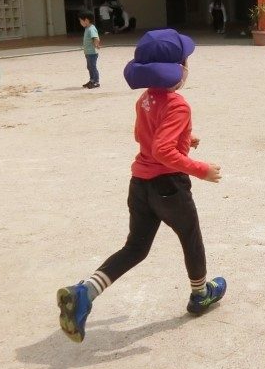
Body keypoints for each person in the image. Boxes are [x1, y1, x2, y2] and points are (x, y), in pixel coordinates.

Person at [56, 29, 226, 343]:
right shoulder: (178, 105)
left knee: (135, 247)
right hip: (169, 187)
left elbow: (143, 136)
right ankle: (201, 294)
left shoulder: (145, 99)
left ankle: (84, 292)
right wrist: (201, 169)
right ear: (178, 69)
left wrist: (184, 138)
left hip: (140, 185)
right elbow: (162, 150)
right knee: (190, 236)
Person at [79, 10, 101, 88]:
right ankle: (92, 80)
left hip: (92, 53)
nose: (80, 23)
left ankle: (96, 82)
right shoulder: (87, 28)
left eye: (81, 21)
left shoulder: (91, 29)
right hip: (88, 53)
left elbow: (96, 38)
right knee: (89, 67)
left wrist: (96, 45)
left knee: (93, 67)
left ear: (86, 20)